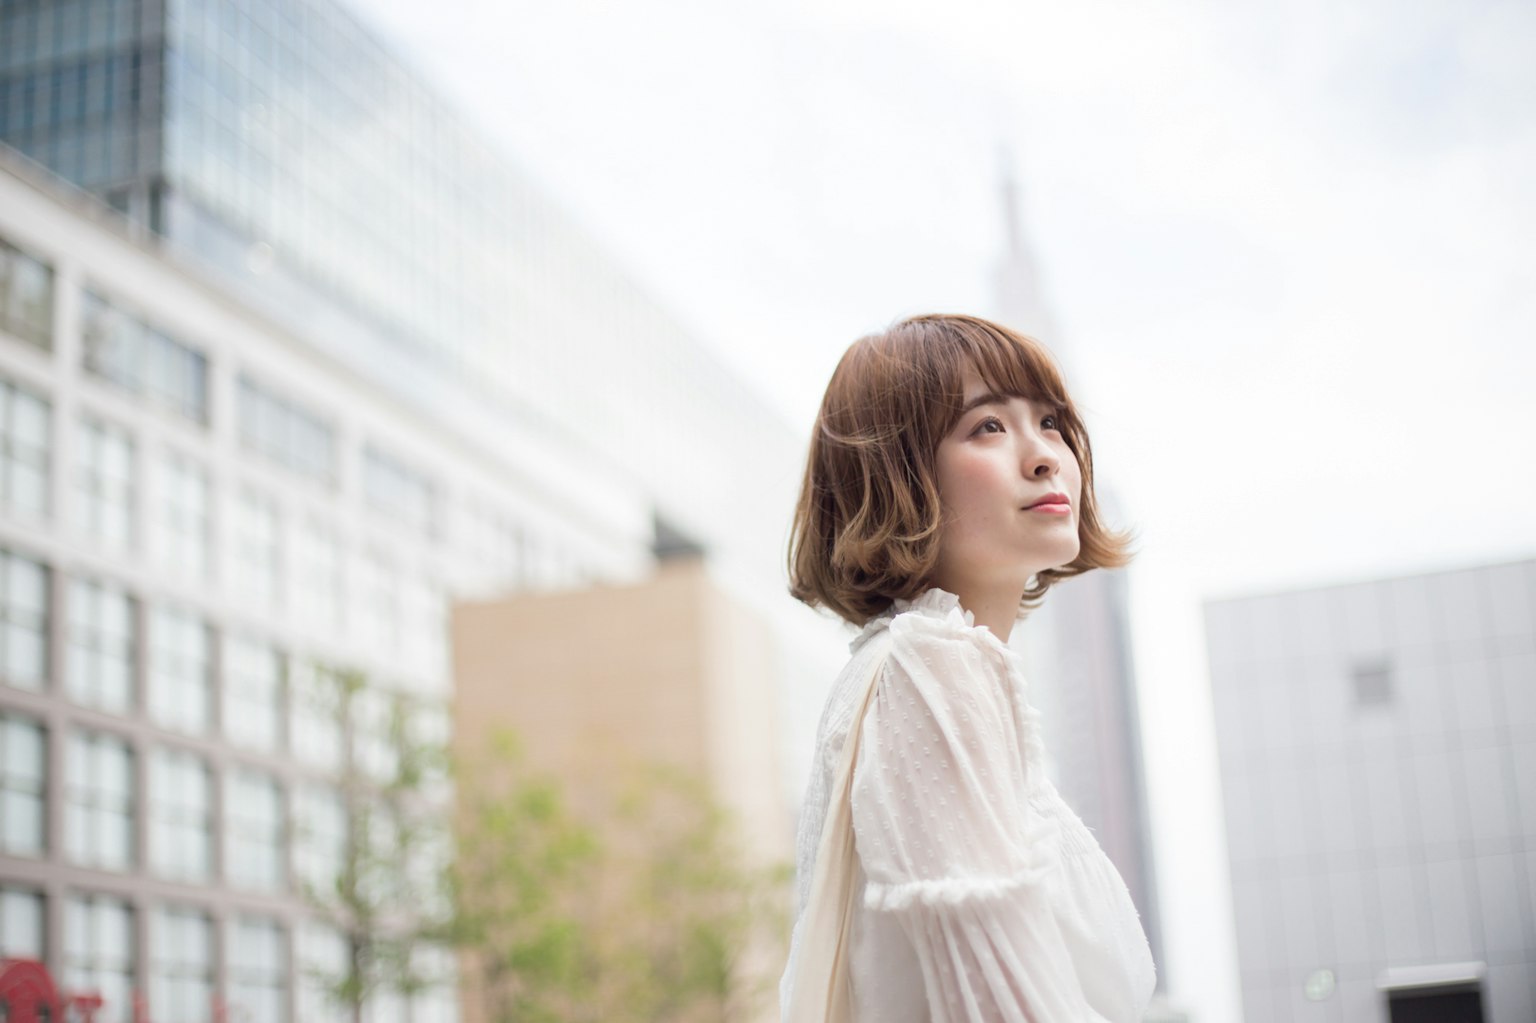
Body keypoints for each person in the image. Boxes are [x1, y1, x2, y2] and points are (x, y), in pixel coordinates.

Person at [780, 314, 1157, 1021]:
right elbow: (996, 1003)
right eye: (987, 426)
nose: (1045, 455)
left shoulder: (908, 669)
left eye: (1050, 421)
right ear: (895, 473)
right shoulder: (930, 668)